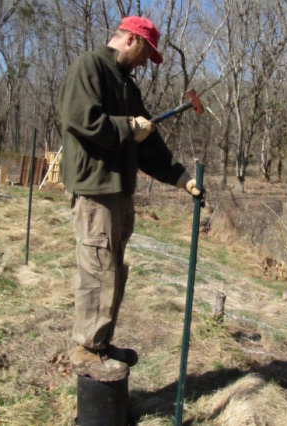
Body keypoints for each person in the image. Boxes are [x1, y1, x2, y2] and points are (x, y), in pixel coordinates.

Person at [58, 16, 202, 382]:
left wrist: (181, 177)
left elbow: (148, 145)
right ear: (131, 40)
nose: (144, 63)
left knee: (114, 272)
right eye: (145, 54)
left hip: (120, 192)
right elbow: (82, 119)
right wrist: (128, 127)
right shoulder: (89, 67)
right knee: (97, 269)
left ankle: (101, 344)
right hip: (95, 190)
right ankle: (85, 349)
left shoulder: (128, 86)